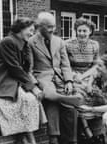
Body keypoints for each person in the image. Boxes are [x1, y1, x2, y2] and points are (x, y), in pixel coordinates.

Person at [0, 17, 47, 144]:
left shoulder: (23, 43)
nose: (32, 34)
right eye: (30, 30)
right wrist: (32, 87)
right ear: (21, 28)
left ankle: (24, 138)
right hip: (0, 80)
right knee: (27, 99)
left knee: (31, 100)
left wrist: (34, 84)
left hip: (13, 79)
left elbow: (26, 69)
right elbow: (14, 68)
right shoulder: (8, 42)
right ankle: (29, 140)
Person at [26, 12, 83, 144]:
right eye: (49, 27)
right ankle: (54, 137)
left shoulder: (59, 41)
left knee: (70, 105)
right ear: (39, 26)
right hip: (43, 78)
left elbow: (65, 64)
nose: (53, 29)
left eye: (54, 26)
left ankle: (71, 140)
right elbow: (29, 69)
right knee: (51, 99)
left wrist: (69, 81)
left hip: (60, 78)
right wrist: (35, 85)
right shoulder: (30, 42)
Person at [64, 17, 102, 143]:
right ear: (75, 31)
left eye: (84, 31)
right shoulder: (68, 44)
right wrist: (74, 77)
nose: (81, 33)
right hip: (73, 76)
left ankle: (97, 131)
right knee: (78, 95)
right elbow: (65, 65)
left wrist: (88, 81)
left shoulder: (94, 45)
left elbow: (95, 66)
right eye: (79, 30)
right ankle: (85, 131)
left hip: (89, 76)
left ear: (90, 31)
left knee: (96, 95)